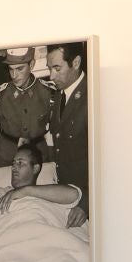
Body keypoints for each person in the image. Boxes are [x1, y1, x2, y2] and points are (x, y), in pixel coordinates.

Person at [45, 42, 90, 227]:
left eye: (57, 68)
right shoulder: (59, 95)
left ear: (76, 62)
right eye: (49, 68)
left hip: (84, 203)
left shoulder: (93, 98)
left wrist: (86, 204)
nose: (51, 75)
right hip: (65, 194)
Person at [0, 46, 55, 168]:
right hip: (7, 158)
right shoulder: (0, 96)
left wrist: (52, 165)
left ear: (32, 65)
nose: (14, 75)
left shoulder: (48, 93)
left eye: (20, 69)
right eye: (11, 69)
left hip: (38, 157)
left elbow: (53, 134)